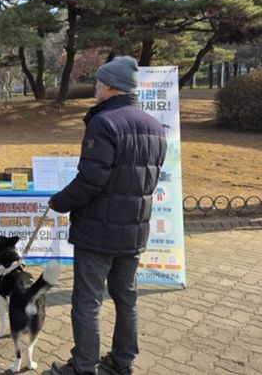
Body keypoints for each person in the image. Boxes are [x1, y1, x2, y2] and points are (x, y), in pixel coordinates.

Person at [48, 56, 167, 375]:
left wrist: (59, 202)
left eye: (99, 82)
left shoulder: (103, 122)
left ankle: (84, 366)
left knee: (87, 301)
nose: (96, 87)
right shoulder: (155, 126)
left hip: (97, 232)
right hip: (134, 230)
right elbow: (149, 180)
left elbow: (91, 180)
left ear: (111, 86)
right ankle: (122, 361)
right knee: (126, 298)